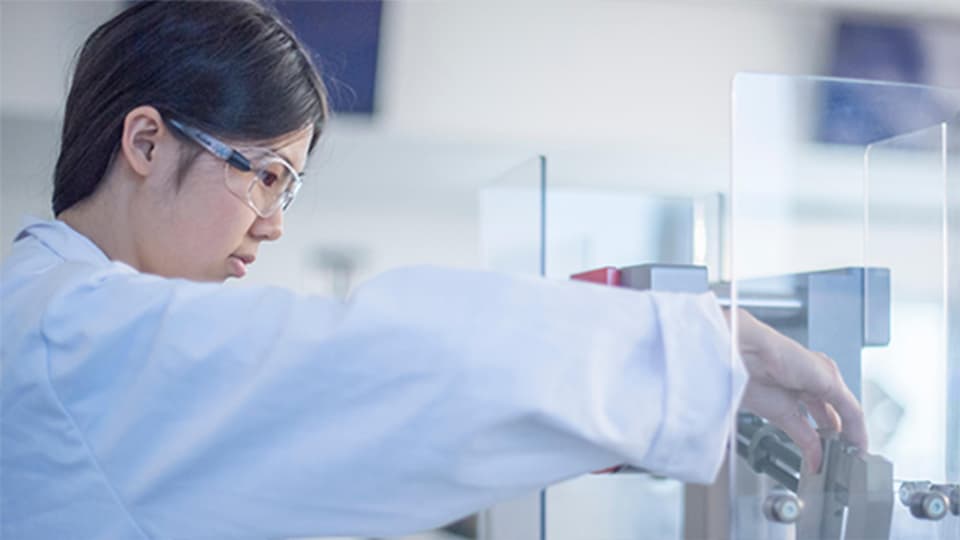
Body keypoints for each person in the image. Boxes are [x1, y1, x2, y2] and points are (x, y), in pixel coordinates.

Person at [0, 1, 866, 539]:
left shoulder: (56, 319)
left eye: (288, 189)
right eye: (263, 174)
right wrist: (692, 348)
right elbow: (357, 367)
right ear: (145, 141)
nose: (270, 224)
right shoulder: (71, 337)